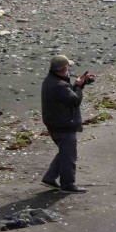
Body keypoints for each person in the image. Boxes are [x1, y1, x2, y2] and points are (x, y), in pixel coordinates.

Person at [40, 55, 96, 194]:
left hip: (56, 123)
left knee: (65, 153)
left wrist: (81, 84)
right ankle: (68, 185)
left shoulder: (51, 80)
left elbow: (68, 94)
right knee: (69, 156)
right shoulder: (59, 85)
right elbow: (75, 101)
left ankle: (49, 178)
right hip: (62, 125)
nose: (69, 68)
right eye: (68, 66)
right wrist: (78, 86)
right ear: (63, 68)